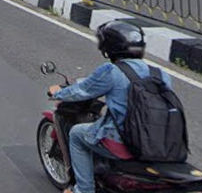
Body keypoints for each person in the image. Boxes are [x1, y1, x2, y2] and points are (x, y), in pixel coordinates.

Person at [47, 21, 173, 193]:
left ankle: (83, 190)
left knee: (76, 134)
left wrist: (57, 93)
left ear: (109, 48)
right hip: (158, 141)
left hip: (124, 142)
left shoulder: (111, 71)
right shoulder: (161, 74)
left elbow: (82, 90)